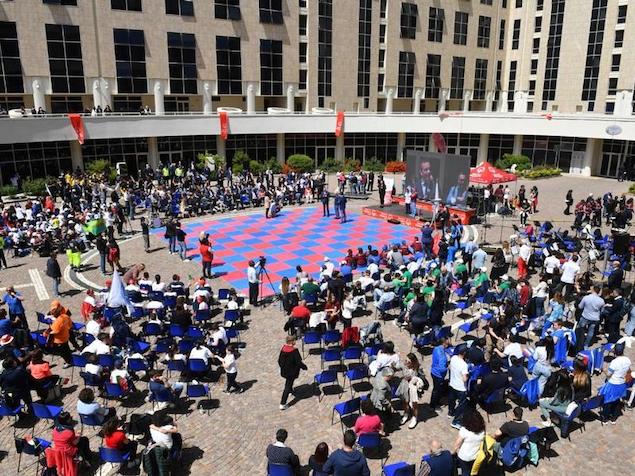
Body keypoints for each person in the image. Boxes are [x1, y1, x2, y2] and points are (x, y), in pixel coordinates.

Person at [599, 342, 631, 424]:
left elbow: (609, 375)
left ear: (614, 351)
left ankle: (605, 418)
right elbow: (627, 371)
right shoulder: (628, 360)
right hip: (622, 383)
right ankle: (613, 418)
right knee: (616, 401)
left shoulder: (614, 362)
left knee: (608, 401)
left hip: (613, 383)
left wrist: (603, 370)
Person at [277, 335, 307, 410]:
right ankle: (283, 403)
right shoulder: (294, 351)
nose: (295, 341)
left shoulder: (283, 349)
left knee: (289, 383)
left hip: (285, 371)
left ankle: (290, 391)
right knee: (287, 385)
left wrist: (283, 367)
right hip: (292, 372)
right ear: (292, 341)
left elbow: (279, 361)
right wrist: (304, 367)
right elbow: (298, 362)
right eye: (294, 340)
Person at [452, 410, 486, 476]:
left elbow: (457, 444)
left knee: (465, 471)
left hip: (463, 456)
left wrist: (452, 453)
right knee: (470, 468)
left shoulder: (464, 430)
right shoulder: (482, 429)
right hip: (475, 455)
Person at [577, 285, 605, 350]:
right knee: (591, 331)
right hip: (595, 318)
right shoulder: (601, 301)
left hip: (585, 316)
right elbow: (602, 311)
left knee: (580, 329)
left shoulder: (586, 298)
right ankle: (586, 345)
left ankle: (579, 341)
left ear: (593, 290)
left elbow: (580, 306)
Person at [448, 345, 469, 429]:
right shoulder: (464, 365)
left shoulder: (453, 358)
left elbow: (449, 367)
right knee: (461, 405)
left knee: (451, 399)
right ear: (464, 353)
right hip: (461, 388)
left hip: (453, 384)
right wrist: (468, 375)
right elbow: (464, 379)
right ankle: (456, 421)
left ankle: (450, 412)